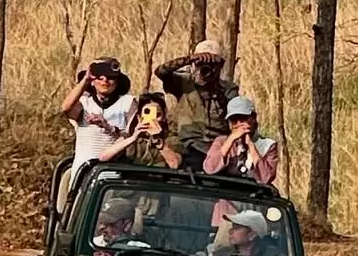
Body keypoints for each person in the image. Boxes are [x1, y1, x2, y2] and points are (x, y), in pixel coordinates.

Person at [154, 40, 240, 171]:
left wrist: (213, 86)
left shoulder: (228, 88)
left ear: (220, 66)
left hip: (215, 146)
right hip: (185, 145)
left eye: (211, 65)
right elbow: (161, 72)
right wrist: (188, 60)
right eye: (201, 64)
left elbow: (232, 112)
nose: (205, 69)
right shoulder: (184, 82)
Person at [61, 57, 136, 186]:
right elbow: (66, 108)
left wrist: (109, 128)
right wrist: (85, 79)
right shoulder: (85, 102)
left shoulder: (128, 103)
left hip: (113, 175)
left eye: (110, 77)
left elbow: (133, 134)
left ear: (117, 82)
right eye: (99, 77)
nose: (104, 80)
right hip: (82, 173)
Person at [203, 96, 278, 184]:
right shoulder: (221, 142)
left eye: (243, 118)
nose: (239, 123)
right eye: (234, 120)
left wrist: (251, 146)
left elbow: (266, 177)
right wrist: (230, 141)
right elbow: (209, 169)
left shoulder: (268, 145)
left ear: (253, 118)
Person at [97, 93, 182, 169]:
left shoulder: (171, 138)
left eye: (158, 115)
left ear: (163, 117)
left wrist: (158, 141)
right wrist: (133, 137)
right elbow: (103, 157)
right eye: (147, 113)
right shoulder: (128, 137)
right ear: (139, 117)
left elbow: (175, 164)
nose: (153, 119)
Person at [208, 210, 286, 256]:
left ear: (252, 235)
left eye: (236, 228)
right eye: (232, 227)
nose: (230, 231)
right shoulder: (221, 254)